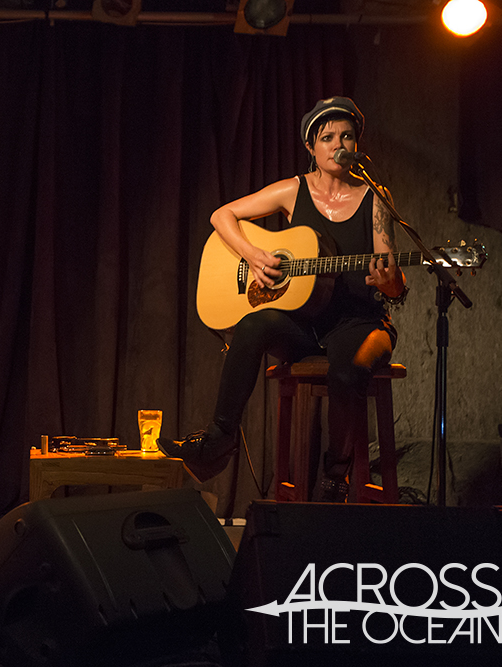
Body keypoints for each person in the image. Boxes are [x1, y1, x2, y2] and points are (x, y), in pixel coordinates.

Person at [158, 97, 407, 501]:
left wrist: (389, 281)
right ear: (311, 147)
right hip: (307, 323)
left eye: (346, 136)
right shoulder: (293, 191)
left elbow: (393, 283)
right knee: (254, 324)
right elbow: (222, 216)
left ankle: (334, 477)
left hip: (360, 321)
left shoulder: (375, 198)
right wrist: (253, 255)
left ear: (357, 144)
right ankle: (217, 444)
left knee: (347, 370)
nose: (338, 144)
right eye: (327, 137)